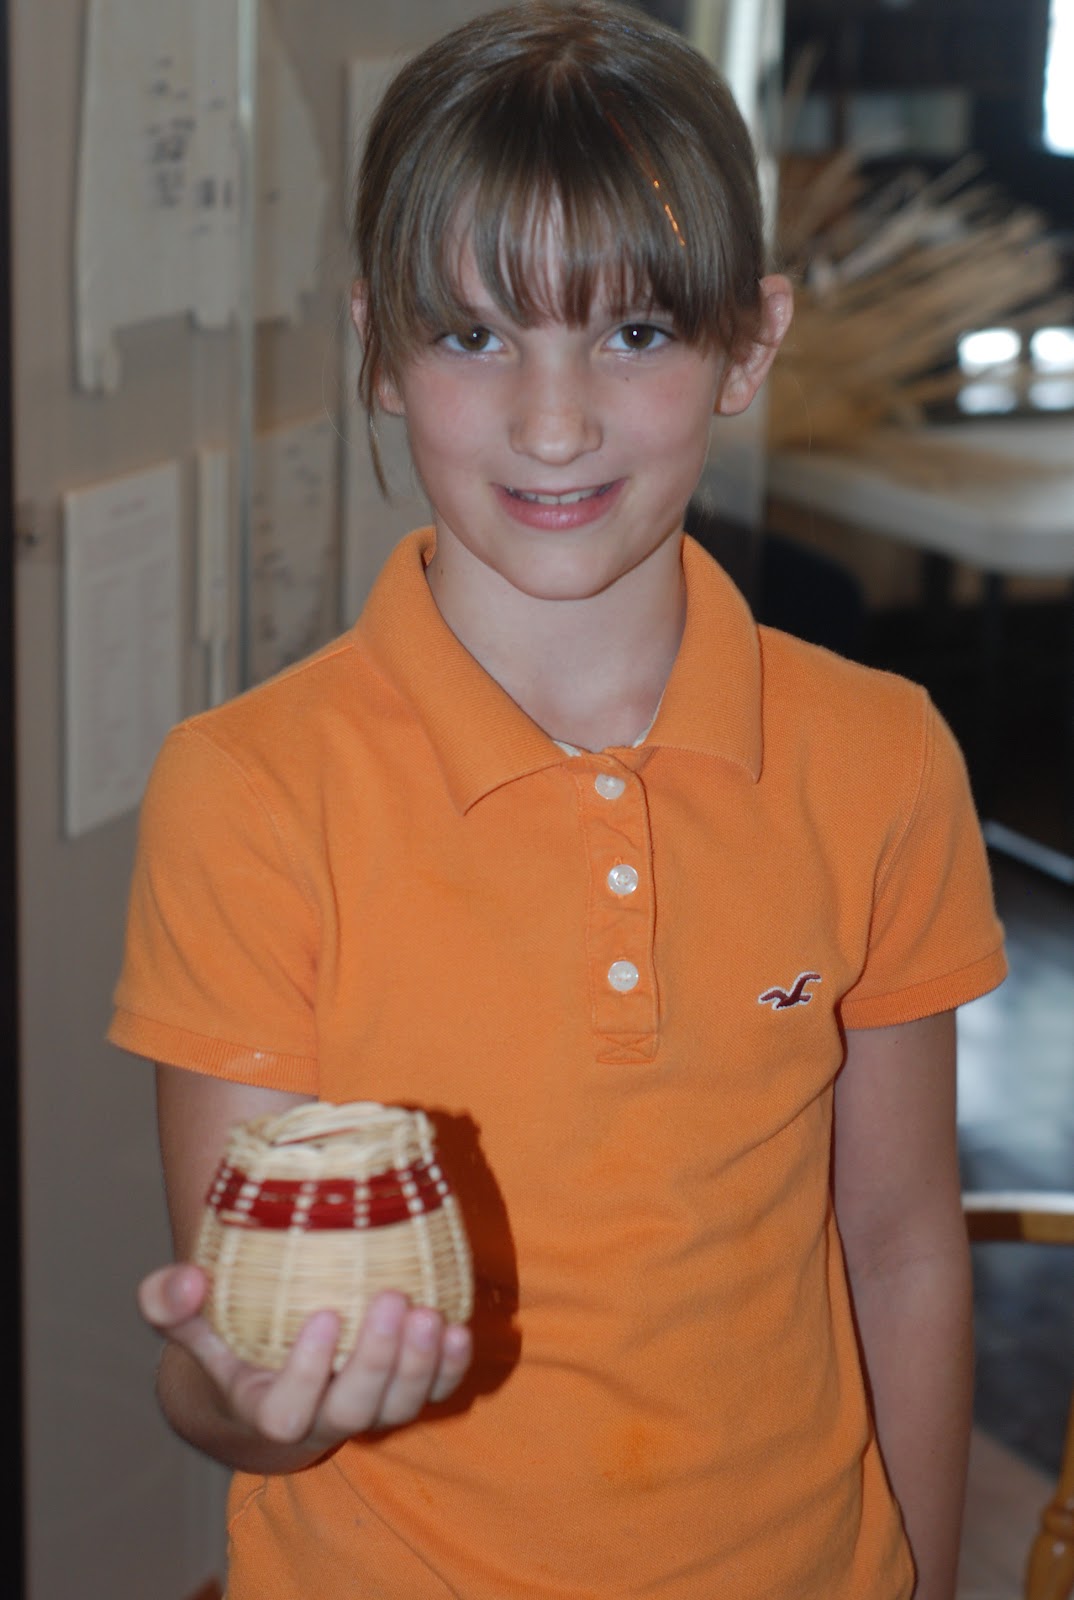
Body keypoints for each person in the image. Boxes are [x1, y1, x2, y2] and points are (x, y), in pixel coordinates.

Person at [114, 4, 1007, 1597]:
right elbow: (237, 1352)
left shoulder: (881, 756)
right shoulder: (246, 791)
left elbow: (898, 1243)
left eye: (634, 333)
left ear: (748, 340)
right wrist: (244, 1402)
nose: (552, 420)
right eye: (474, 335)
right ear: (380, 348)